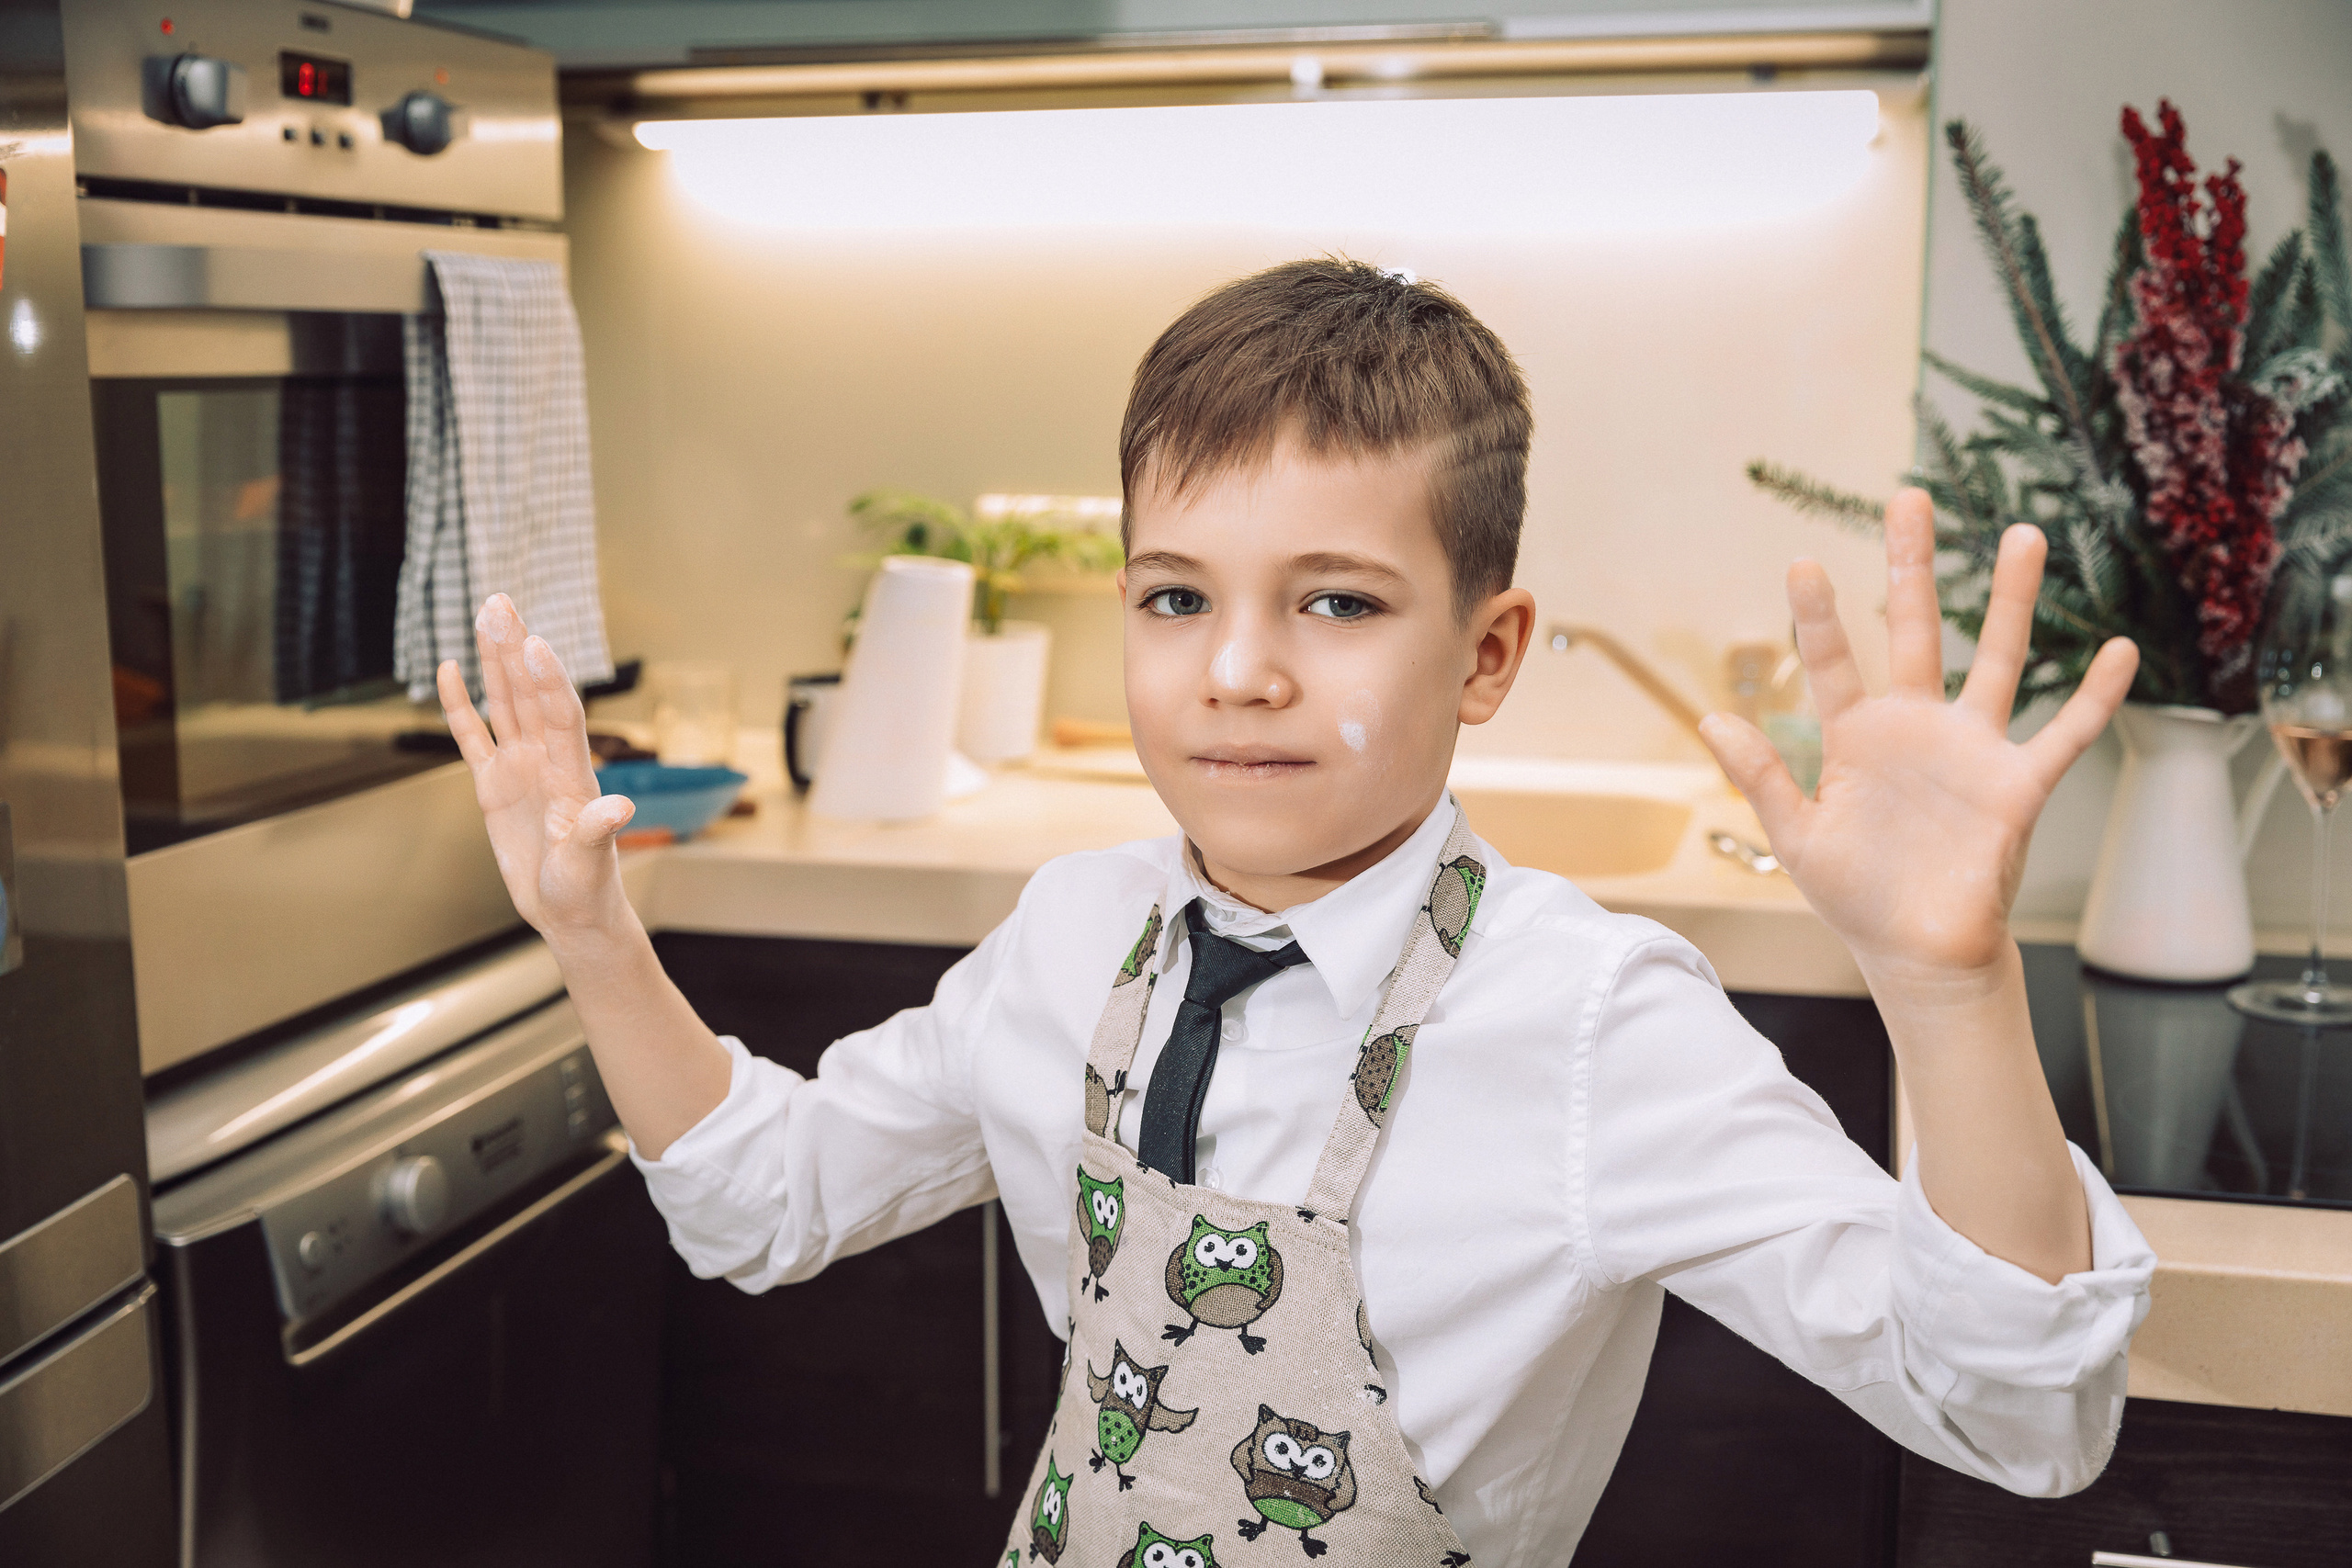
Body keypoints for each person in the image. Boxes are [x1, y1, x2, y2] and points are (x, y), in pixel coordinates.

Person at [439, 259, 2153, 1566]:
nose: (1240, 672)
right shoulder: (1069, 936)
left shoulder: (1590, 1019)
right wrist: (593, 933)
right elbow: (762, 1201)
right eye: (1177, 597)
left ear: (1486, 653)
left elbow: (2019, 1415)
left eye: (1336, 603)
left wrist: (1949, 987)